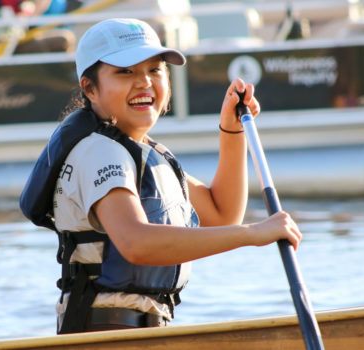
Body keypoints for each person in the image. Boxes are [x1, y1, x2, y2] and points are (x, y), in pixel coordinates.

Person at [20, 18, 302, 334]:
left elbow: (223, 215)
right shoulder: (98, 151)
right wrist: (253, 234)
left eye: (155, 70)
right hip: (105, 332)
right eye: (125, 72)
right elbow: (135, 242)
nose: (144, 82)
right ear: (90, 88)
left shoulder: (145, 152)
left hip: (146, 330)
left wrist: (232, 130)